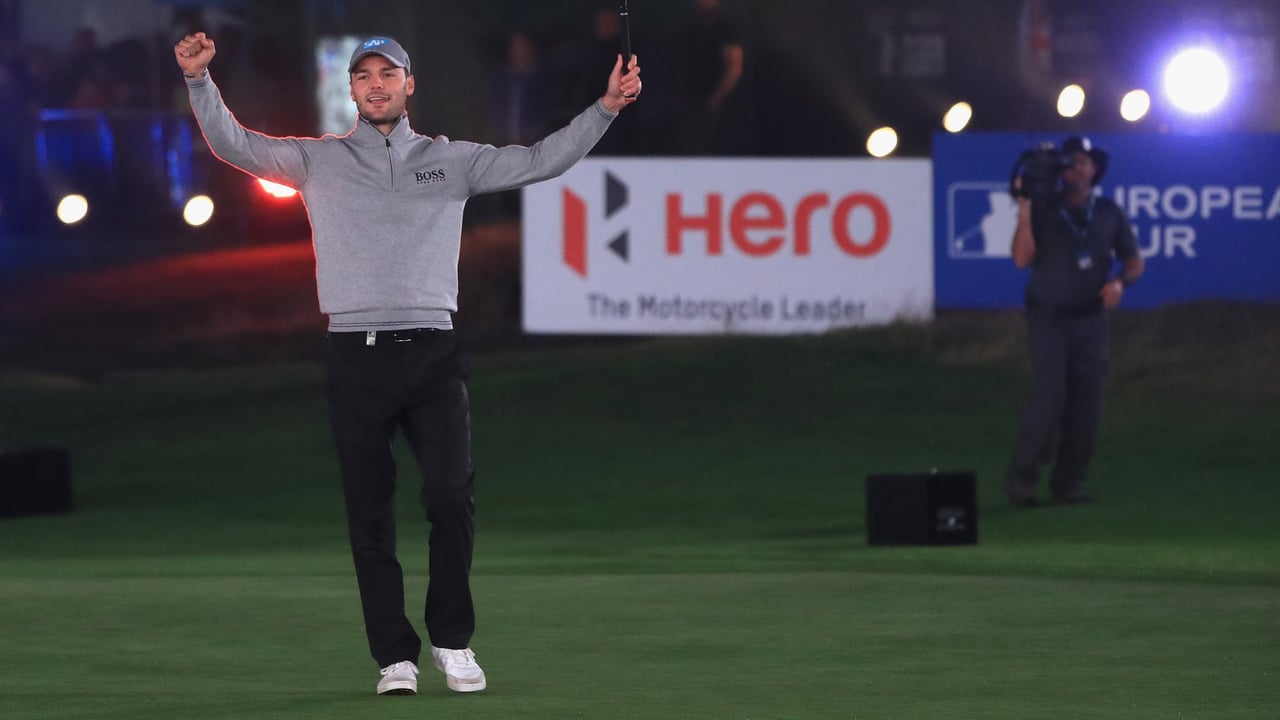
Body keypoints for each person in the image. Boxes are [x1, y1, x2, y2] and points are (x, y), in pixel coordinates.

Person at [173, 31, 641, 696]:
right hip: (354, 357)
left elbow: (542, 161)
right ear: (352, 89)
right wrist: (198, 80)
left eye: (386, 73)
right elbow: (235, 144)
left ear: (408, 84)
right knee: (369, 514)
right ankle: (395, 657)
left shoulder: (451, 161)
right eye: (363, 75)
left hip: (432, 353)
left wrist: (607, 107)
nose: (374, 84)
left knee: (450, 498)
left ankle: (453, 641)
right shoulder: (318, 161)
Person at [1006, 136, 1143, 508]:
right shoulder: (1045, 208)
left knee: (1087, 404)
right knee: (1049, 398)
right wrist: (1025, 210)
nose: (1075, 169)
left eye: (1082, 162)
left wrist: (1119, 282)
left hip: (1091, 320)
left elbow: (1133, 260)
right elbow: (1021, 259)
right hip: (1049, 316)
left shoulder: (1108, 212)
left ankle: (1068, 485)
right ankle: (1022, 484)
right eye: (1069, 163)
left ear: (1094, 168)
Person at [680, 0, 743, 154]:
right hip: (692, 101)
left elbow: (735, 66)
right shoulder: (692, 27)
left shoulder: (727, 28)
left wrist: (718, 97)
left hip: (720, 104)